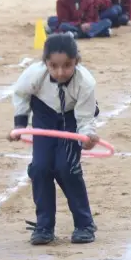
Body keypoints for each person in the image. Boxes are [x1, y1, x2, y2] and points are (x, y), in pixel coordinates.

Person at [11, 34, 100, 245]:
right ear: (45, 63)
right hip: (44, 114)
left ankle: (84, 224)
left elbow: (85, 116)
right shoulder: (34, 75)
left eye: (67, 65)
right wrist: (20, 124)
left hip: (71, 117)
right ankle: (44, 226)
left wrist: (87, 136)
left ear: (77, 61)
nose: (60, 72)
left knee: (67, 168)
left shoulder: (85, 82)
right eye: (54, 66)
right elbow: (21, 94)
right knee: (40, 168)